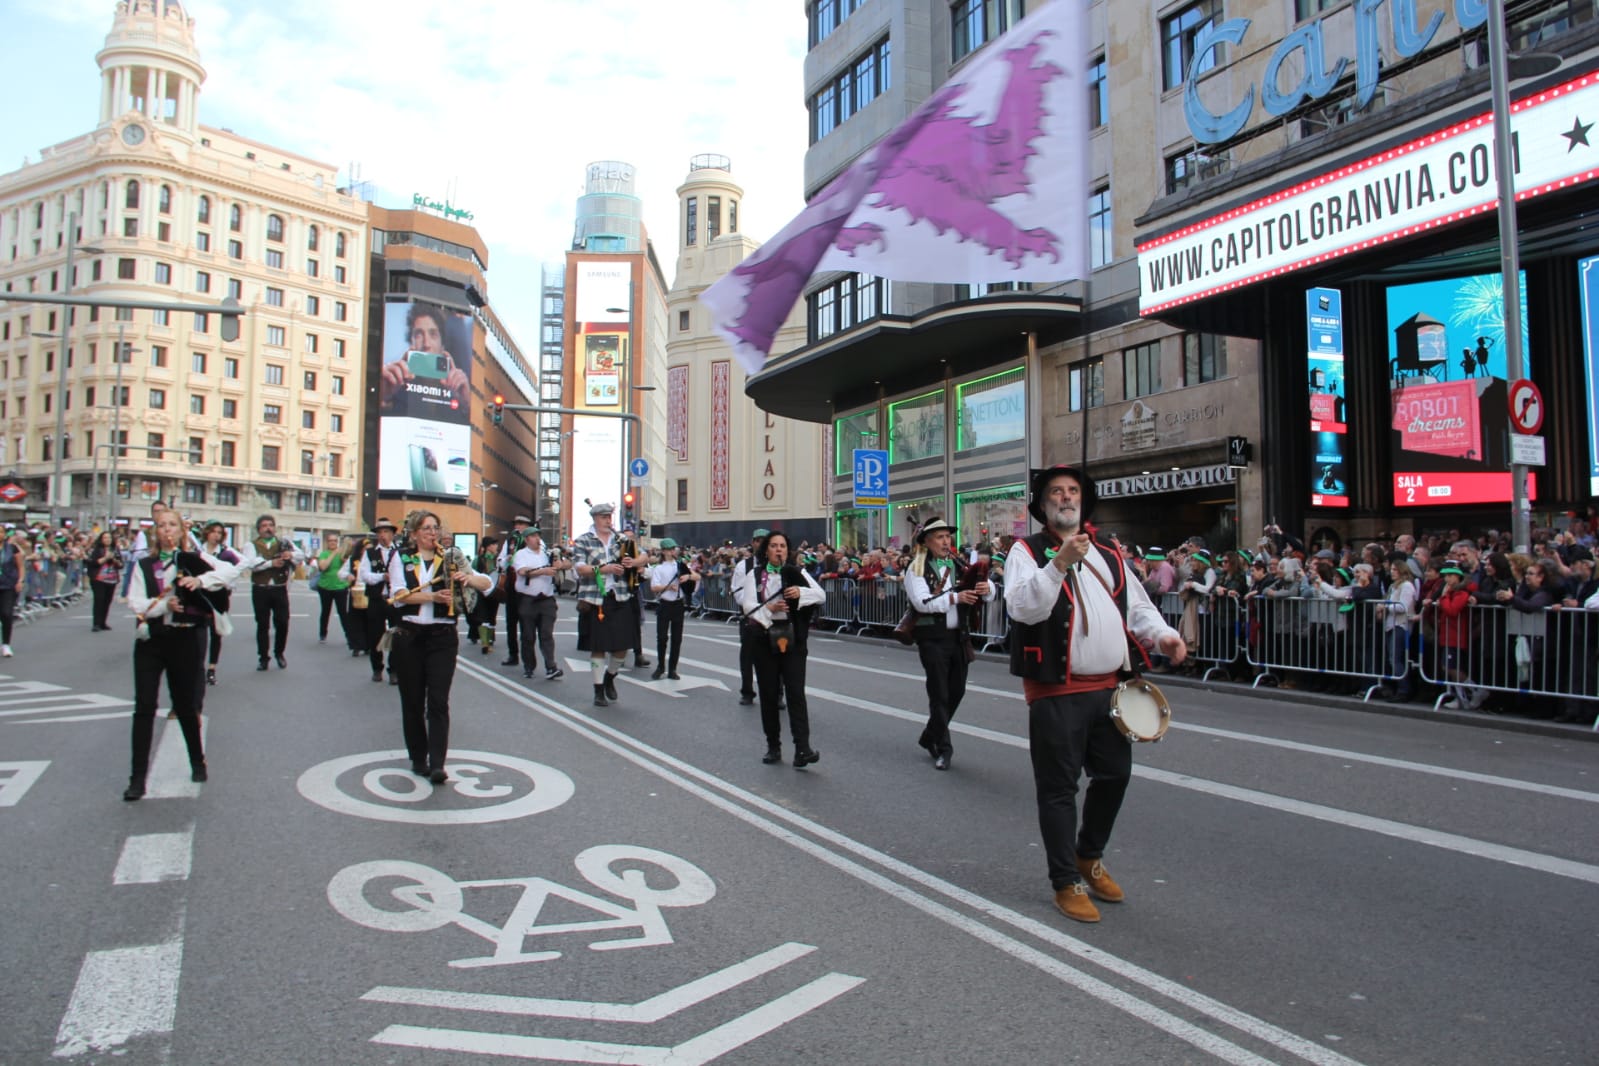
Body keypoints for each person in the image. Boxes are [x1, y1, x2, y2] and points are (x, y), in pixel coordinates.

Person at [1004, 465, 1185, 924]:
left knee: (1115, 776)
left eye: (1072, 492)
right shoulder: (1026, 552)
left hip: (1109, 688)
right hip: (1055, 691)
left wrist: (1163, 636)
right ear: (1042, 504)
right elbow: (1024, 607)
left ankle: (1089, 854)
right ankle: (1065, 880)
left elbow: (1138, 605)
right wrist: (1059, 561)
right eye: (1056, 493)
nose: (1065, 498)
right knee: (1059, 790)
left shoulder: (1108, 551)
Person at [123, 508, 239, 801]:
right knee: (144, 706)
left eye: (172, 525)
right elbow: (135, 602)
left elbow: (228, 573)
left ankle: (197, 760)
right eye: (161, 526)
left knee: (185, 704)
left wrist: (200, 581)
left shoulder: (193, 560)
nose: (167, 530)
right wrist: (163, 606)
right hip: (152, 639)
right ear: (155, 532)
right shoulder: (144, 564)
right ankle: (137, 778)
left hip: (186, 637)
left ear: (181, 530)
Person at [386, 510, 492, 784]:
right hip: (409, 634)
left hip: (442, 636)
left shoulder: (451, 558)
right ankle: (418, 757)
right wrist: (432, 595)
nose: (432, 533)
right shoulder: (402, 558)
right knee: (412, 701)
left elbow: (487, 583)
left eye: (435, 528)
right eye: (425, 528)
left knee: (438, 700)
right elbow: (398, 596)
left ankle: (437, 762)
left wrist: (467, 579)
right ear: (413, 534)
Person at [904, 518, 993, 771]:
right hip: (932, 637)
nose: (946, 542)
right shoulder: (917, 568)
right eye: (940, 537)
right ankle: (943, 748)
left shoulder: (959, 564)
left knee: (957, 691)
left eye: (947, 537)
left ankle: (928, 736)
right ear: (927, 542)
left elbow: (984, 590)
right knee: (939, 694)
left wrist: (987, 589)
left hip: (958, 637)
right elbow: (922, 602)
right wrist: (955, 597)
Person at [735, 530, 825, 768]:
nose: (778, 550)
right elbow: (748, 606)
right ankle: (773, 746)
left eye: (783, 546)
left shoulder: (798, 572)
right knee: (769, 693)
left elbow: (820, 595)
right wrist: (771, 609)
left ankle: (802, 748)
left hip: (793, 639)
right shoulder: (754, 575)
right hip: (764, 638)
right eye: (774, 546)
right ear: (766, 550)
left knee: (796, 693)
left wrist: (800, 593)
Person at [571, 502, 650, 706]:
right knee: (598, 646)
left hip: (621, 596)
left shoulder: (621, 539)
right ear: (595, 519)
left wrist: (633, 562)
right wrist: (603, 569)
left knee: (623, 646)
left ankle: (610, 677)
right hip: (595, 598)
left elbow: (644, 555)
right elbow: (580, 568)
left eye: (609, 516)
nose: (608, 520)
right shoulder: (583, 541)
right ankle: (598, 690)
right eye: (604, 517)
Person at [238, 514, 302, 671]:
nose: (268, 528)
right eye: (264, 526)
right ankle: (263, 657)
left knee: (282, 622)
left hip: (279, 588)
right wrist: (270, 563)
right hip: (261, 589)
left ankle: (279, 653)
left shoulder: (284, 543)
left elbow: (301, 555)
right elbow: (251, 564)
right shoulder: (251, 545)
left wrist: (290, 555)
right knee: (262, 625)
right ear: (259, 529)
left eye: (271, 525)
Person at [349, 517, 400, 683]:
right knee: (375, 635)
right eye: (380, 532)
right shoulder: (370, 553)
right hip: (376, 598)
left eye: (386, 532)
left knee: (396, 634)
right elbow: (364, 575)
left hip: (395, 599)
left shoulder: (400, 551)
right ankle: (377, 668)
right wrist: (381, 576)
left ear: (392, 534)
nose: (383, 535)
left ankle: (394, 670)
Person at [511, 525, 564, 680]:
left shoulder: (546, 553)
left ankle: (551, 666)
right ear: (527, 539)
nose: (537, 539)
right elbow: (522, 572)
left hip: (546, 598)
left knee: (546, 634)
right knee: (528, 635)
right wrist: (542, 571)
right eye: (534, 536)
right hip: (528, 599)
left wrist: (559, 564)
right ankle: (529, 666)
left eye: (538, 536)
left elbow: (565, 565)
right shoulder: (521, 554)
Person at [196, 520, 242, 686]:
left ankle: (212, 669)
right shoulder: (198, 550)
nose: (216, 535)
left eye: (220, 533)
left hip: (219, 595)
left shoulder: (226, 553)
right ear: (207, 533)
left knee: (216, 633)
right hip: (200, 594)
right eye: (213, 531)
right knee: (198, 632)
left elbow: (237, 569)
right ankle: (197, 668)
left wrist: (228, 583)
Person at [731, 528, 772, 707]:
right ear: (753, 542)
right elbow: (738, 592)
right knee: (747, 655)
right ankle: (747, 691)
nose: (760, 543)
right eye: (757, 540)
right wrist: (756, 605)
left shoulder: (777, 563)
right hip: (750, 617)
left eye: (764, 540)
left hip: (772, 618)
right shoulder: (743, 566)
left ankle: (776, 694)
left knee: (775, 657)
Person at [649, 538, 694, 680]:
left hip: (678, 604)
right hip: (665, 604)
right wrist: (668, 587)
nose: (672, 551)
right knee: (662, 638)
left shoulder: (680, 565)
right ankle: (660, 666)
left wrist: (688, 576)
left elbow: (697, 577)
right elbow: (653, 587)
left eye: (673, 549)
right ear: (663, 551)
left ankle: (672, 669)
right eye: (669, 549)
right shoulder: (659, 568)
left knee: (677, 638)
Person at [497, 515, 533, 667]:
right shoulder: (510, 540)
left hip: (527, 587)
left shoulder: (534, 540)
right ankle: (513, 654)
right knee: (511, 622)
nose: (517, 526)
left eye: (521, 524)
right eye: (516, 524)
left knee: (527, 624)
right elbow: (500, 561)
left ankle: (528, 658)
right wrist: (507, 560)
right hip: (512, 586)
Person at [313, 531, 356, 651]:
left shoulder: (342, 554)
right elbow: (323, 567)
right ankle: (323, 634)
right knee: (325, 611)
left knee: (343, 613)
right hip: (325, 587)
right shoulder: (324, 554)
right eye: (330, 541)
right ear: (327, 543)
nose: (333, 543)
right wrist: (333, 554)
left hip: (340, 587)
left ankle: (349, 636)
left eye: (335, 541)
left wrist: (342, 554)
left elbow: (348, 565)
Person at [88, 530, 123, 632]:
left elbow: (121, 564)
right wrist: (106, 557)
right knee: (99, 600)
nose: (107, 540)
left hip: (111, 579)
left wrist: (115, 560)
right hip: (98, 579)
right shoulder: (97, 550)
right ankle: (96, 623)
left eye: (109, 538)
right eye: (105, 538)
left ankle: (103, 622)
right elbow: (93, 563)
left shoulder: (115, 549)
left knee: (107, 601)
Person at [0, 530, 25, 657]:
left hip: (8, 585)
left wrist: (20, 580)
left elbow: (20, 566)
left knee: (6, 613)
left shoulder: (11, 548)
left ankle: (6, 644)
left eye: (0, 532)